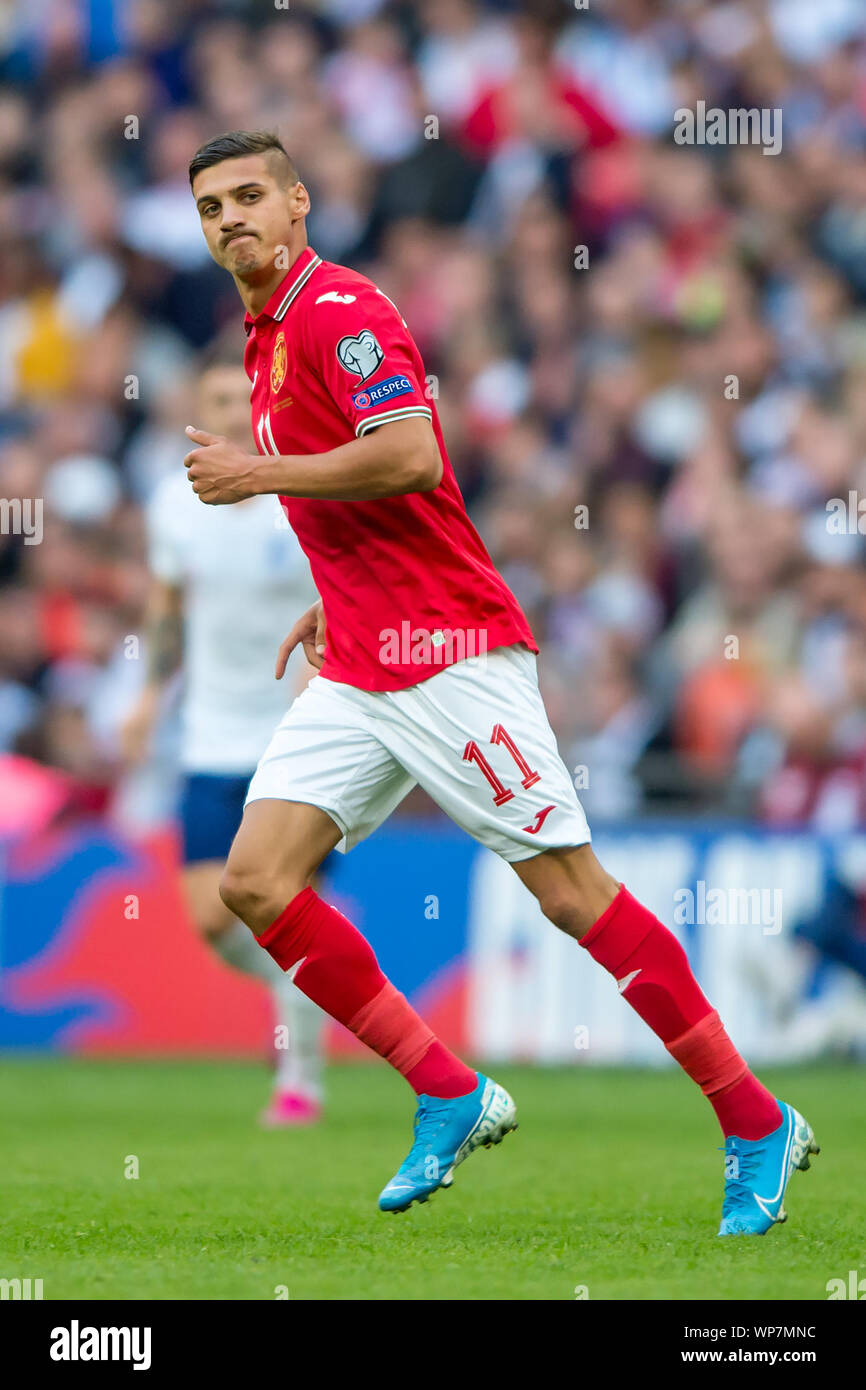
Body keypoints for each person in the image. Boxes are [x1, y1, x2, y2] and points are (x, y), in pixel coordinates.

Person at [182, 129, 818, 1232]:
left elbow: (412, 454)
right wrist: (336, 592)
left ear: (297, 205)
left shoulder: (340, 311)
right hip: (364, 653)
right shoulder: (266, 334)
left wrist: (257, 471)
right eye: (210, 206)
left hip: (447, 652)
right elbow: (370, 501)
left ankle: (754, 1118)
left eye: (249, 196)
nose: (231, 217)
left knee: (570, 895)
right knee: (253, 883)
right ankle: (446, 1089)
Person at [122, 343, 327, 1126]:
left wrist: (325, 673)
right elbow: (167, 607)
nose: (232, 417)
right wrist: (147, 694)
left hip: (293, 731)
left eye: (243, 403)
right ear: (196, 418)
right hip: (209, 732)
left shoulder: (299, 496)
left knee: (289, 904)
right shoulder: (175, 506)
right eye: (216, 405)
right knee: (213, 917)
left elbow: (339, 590)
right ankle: (304, 985)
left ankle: (300, 1083)